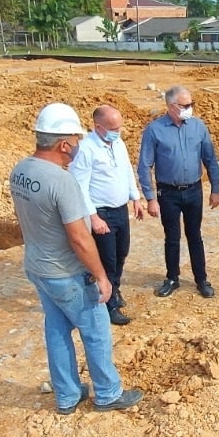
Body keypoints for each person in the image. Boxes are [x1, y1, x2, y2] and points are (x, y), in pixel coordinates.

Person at [9, 103, 142, 414]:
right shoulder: (61, 181)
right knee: (96, 330)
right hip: (66, 271)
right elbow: (80, 238)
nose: (79, 147)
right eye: (77, 141)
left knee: (56, 329)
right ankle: (108, 393)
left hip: (37, 266)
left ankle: (67, 395)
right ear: (63, 144)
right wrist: (101, 276)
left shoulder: (21, 171)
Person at [137, 86, 219, 298]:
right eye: (185, 106)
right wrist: (150, 198)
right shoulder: (154, 130)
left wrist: (215, 189)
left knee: (195, 235)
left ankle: (201, 279)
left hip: (194, 190)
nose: (190, 109)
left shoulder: (198, 126)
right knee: (172, 237)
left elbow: (210, 159)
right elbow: (144, 165)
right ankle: (172, 278)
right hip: (168, 194)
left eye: (191, 104)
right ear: (171, 106)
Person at [69, 104, 145, 326]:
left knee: (122, 252)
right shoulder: (86, 150)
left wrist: (136, 198)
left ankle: (115, 289)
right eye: (113, 128)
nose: (118, 131)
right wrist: (93, 217)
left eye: (119, 127)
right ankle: (108, 304)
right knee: (107, 259)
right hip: (102, 212)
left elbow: (127, 170)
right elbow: (79, 186)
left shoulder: (118, 143)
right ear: (98, 126)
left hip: (120, 209)